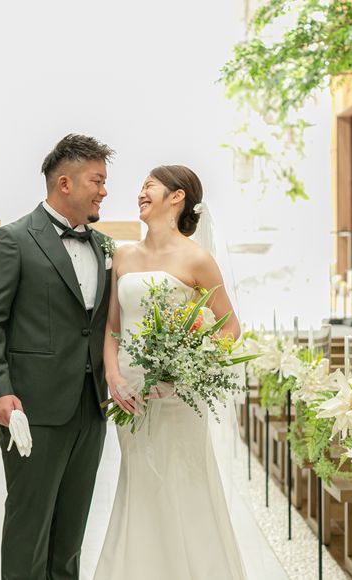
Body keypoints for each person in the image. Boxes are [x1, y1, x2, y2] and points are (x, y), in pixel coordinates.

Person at [0, 134, 115, 580]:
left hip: (91, 407)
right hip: (32, 408)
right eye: (97, 180)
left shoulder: (104, 247)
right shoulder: (11, 240)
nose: (104, 191)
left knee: (70, 535)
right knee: (29, 528)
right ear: (65, 183)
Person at [94, 165, 247, 579]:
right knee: (139, 484)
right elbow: (111, 327)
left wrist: (186, 370)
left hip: (179, 398)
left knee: (182, 484)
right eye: (141, 187)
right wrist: (113, 377)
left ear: (176, 197)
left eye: (149, 186)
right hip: (129, 393)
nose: (140, 193)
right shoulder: (122, 255)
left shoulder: (197, 258)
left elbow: (230, 327)